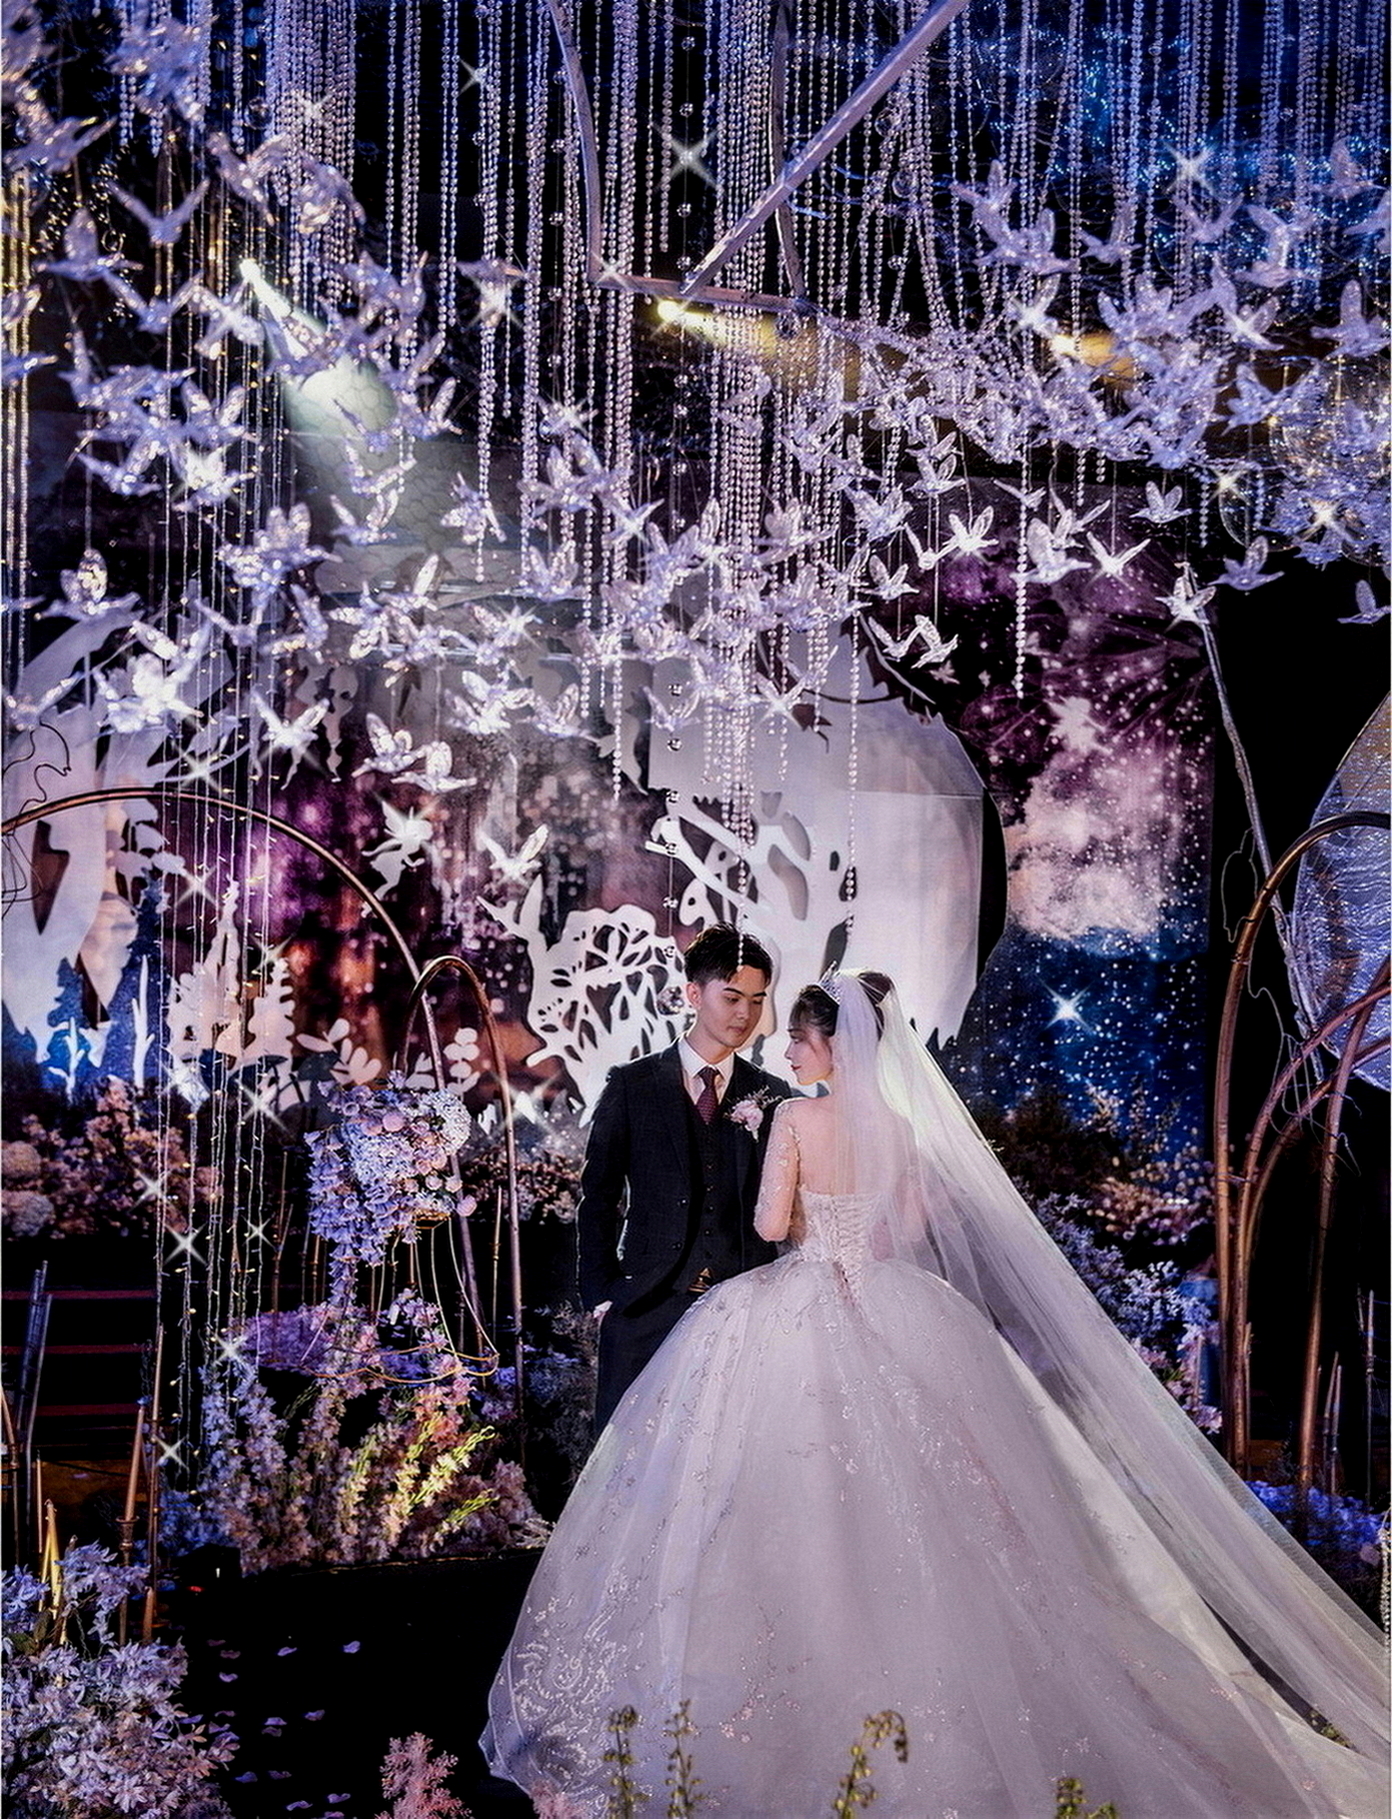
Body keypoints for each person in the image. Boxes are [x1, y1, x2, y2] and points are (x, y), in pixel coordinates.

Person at [485, 971, 1390, 1817]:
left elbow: (768, 1222)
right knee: (927, 1493)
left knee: (766, 1489)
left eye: (797, 1038)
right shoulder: (899, 1129)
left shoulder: (795, 1116)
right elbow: (908, 1226)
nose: (787, 1051)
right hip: (894, 1300)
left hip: (800, 1295)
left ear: (830, 1044)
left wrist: (801, 1211)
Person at [576, 923, 792, 1431]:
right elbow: (599, 1195)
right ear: (694, 994)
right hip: (645, 1305)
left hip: (743, 1310)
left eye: (757, 1001)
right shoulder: (632, 1085)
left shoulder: (773, 1094)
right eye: (732, 997)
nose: (745, 1015)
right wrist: (602, 1291)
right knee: (629, 1453)